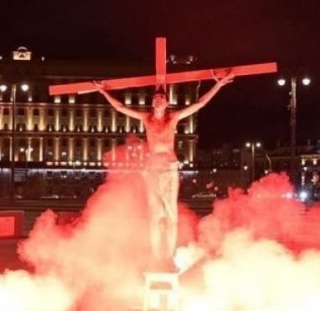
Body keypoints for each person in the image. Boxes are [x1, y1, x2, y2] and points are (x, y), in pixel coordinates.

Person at [94, 72, 234, 269]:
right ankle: (156, 258)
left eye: (162, 97)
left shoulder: (173, 118)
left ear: (167, 103)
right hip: (152, 169)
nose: (158, 98)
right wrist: (104, 92)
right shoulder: (146, 118)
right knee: (155, 216)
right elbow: (121, 107)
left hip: (169, 168)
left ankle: (168, 257)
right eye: (156, 97)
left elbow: (199, 103)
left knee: (171, 215)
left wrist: (218, 85)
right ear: (152, 103)